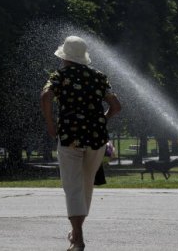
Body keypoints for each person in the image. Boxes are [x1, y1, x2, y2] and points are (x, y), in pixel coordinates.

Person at [40, 35, 121, 251]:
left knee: (72, 187)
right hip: (97, 138)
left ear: (66, 57)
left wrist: (50, 124)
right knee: (85, 187)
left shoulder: (59, 76)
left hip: (69, 137)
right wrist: (101, 119)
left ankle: (78, 239)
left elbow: (45, 96)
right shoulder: (99, 77)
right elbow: (116, 106)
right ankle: (76, 233)